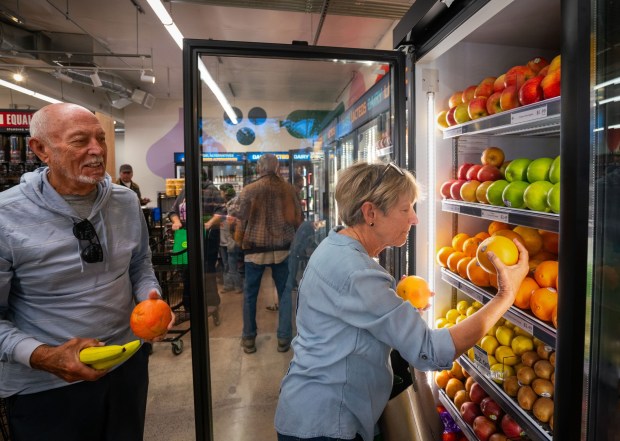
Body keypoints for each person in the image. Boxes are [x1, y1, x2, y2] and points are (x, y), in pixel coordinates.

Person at [274, 161, 529, 441]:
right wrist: (506, 296)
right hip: (326, 425)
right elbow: (430, 351)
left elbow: (354, 319)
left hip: (312, 409)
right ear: (370, 212)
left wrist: (398, 308)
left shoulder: (336, 247)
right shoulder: (359, 272)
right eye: (405, 209)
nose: (415, 219)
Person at [0, 103, 173, 441]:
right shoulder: (6, 217)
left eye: (101, 138)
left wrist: (150, 298)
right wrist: (43, 356)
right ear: (40, 149)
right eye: (80, 141)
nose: (96, 151)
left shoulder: (124, 202)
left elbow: (140, 265)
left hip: (126, 365)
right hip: (46, 388)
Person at [235, 153, 303, 353]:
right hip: (283, 249)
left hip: (255, 250)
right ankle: (283, 338)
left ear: (259, 168)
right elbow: (298, 217)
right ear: (278, 167)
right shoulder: (289, 189)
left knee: (250, 295)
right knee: (284, 294)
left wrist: (239, 238)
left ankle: (248, 338)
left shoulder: (249, 190)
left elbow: (240, 216)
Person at [168, 172, 225, 312]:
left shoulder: (212, 190)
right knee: (187, 269)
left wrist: (209, 223)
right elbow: (173, 211)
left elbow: (222, 211)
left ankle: (211, 302)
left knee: (207, 268)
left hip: (208, 236)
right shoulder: (185, 190)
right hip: (187, 236)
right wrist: (176, 222)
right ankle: (189, 305)